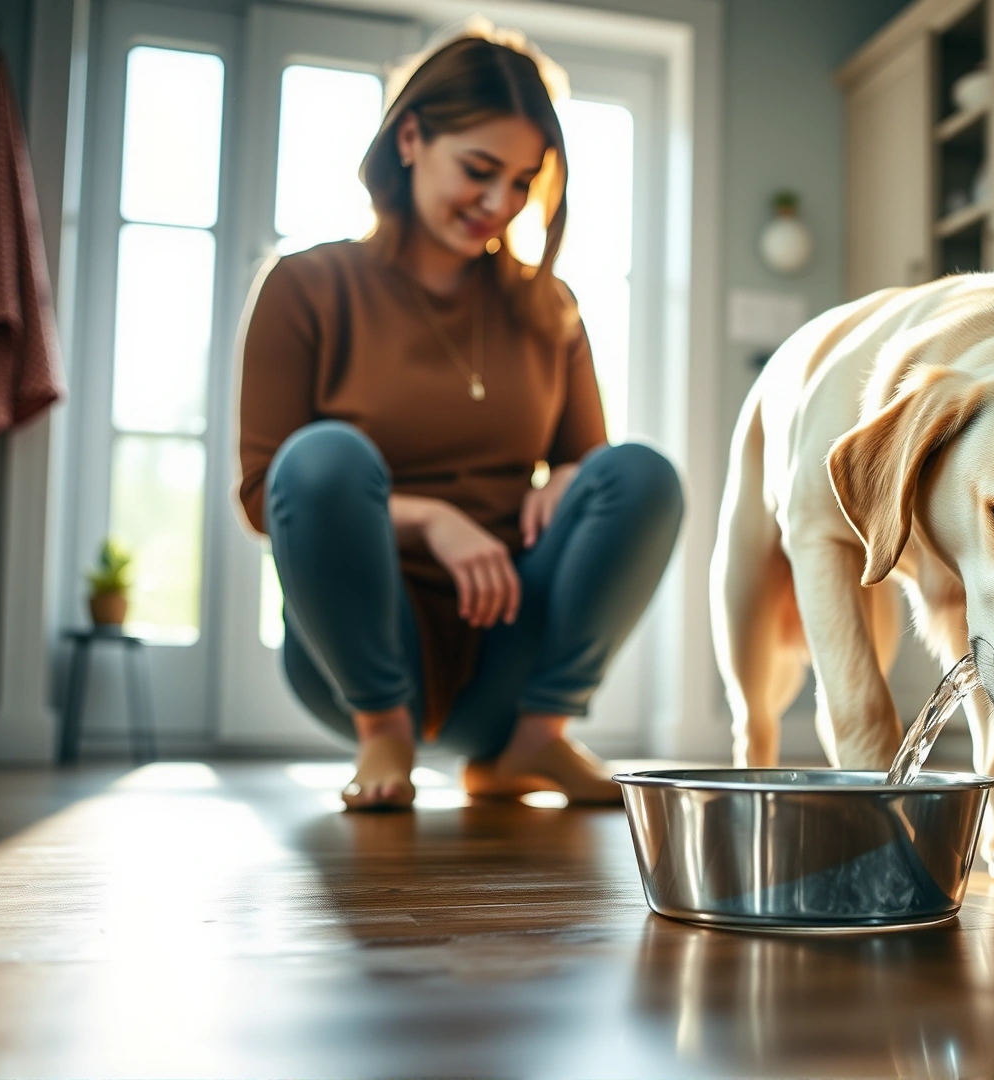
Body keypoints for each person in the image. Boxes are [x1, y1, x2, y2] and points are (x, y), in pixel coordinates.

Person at [234, 28, 683, 811]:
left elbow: (597, 469)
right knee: (321, 457)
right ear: (411, 138)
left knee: (646, 473)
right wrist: (431, 519)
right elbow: (264, 496)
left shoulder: (551, 307)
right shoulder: (305, 287)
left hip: (509, 642)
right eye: (478, 170)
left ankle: (535, 742)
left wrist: (568, 478)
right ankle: (385, 730)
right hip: (362, 652)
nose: (497, 204)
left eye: (520, 182)